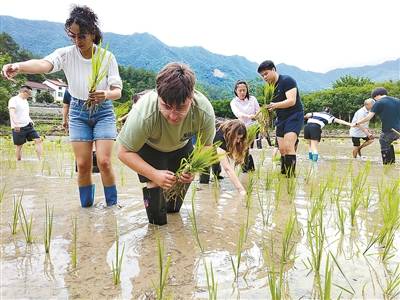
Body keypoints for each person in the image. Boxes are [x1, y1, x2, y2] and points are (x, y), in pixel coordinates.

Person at [2, 5, 123, 207]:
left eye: (81, 36)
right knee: (83, 164)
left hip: (103, 111)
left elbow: (118, 92)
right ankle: (86, 209)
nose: (77, 41)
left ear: (92, 33)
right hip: (77, 111)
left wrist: (106, 94)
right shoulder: (66, 54)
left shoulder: (107, 57)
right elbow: (44, 64)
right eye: (73, 36)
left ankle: (112, 206)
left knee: (104, 161)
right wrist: (18, 66)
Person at [117, 62, 216, 226]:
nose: (173, 116)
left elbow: (206, 147)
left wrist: (193, 169)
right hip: (150, 147)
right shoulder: (144, 113)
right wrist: (154, 174)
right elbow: (123, 152)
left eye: (181, 107)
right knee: (158, 220)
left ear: (191, 97)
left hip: (181, 146)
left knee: (174, 209)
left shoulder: (204, 110)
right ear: (158, 95)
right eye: (166, 106)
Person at [257, 60, 304, 177]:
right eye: (262, 75)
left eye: (266, 73)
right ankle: (283, 175)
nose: (264, 77)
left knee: (289, 146)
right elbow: (270, 105)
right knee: (282, 149)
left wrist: (275, 105)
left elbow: (291, 101)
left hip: (294, 116)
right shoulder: (269, 87)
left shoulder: (287, 81)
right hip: (281, 118)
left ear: (273, 70)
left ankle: (290, 177)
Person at [199, 120, 248, 195]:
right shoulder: (220, 137)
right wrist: (241, 189)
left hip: (214, 141)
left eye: (240, 138)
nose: (238, 141)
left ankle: (216, 176)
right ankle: (203, 191)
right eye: (237, 138)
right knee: (205, 171)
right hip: (205, 141)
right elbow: (227, 168)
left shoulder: (233, 129)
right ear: (231, 134)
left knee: (216, 168)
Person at [353, 87, 400, 164]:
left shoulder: (379, 102)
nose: (374, 100)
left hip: (390, 129)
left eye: (374, 98)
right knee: (388, 142)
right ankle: (392, 163)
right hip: (398, 129)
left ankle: (387, 164)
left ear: (376, 96)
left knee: (383, 140)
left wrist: (357, 123)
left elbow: (369, 117)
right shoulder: (398, 100)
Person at [63, 88, 100, 173]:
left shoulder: (69, 89)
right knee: (95, 142)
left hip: (77, 120)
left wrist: (64, 120)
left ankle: (83, 169)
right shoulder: (94, 86)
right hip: (96, 118)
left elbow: (66, 105)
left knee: (81, 151)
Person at [230, 80, 260, 172]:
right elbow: (238, 113)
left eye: (244, 90)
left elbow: (258, 110)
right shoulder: (234, 102)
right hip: (240, 127)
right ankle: (246, 167)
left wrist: (259, 117)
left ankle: (246, 168)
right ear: (236, 91)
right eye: (240, 90)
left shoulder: (253, 99)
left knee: (246, 147)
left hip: (252, 126)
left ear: (247, 90)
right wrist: (249, 116)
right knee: (243, 148)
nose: (242, 92)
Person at [7, 85, 42, 160]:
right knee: (19, 145)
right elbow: (12, 113)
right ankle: (18, 162)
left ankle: (40, 160)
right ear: (24, 92)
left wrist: (30, 120)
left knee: (38, 140)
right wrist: (16, 124)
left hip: (28, 125)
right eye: (29, 94)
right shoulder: (13, 100)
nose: (30, 96)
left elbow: (25, 113)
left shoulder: (25, 101)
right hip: (18, 127)